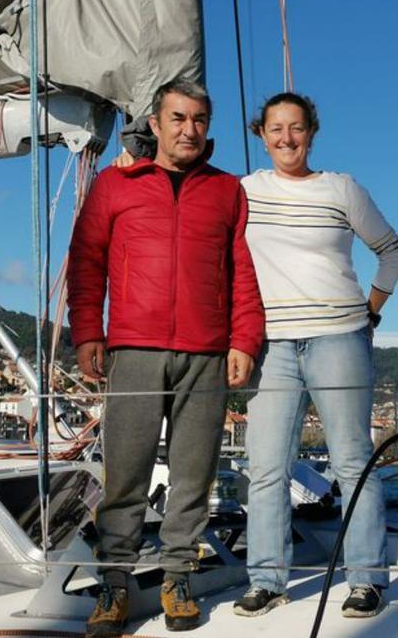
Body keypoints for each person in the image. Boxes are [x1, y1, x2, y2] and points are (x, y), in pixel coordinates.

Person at [68, 79, 264, 637]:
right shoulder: (115, 185)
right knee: (125, 474)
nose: (188, 129)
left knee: (193, 474)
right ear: (154, 124)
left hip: (207, 352)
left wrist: (244, 340)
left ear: (208, 127)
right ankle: (113, 586)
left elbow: (242, 272)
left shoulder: (227, 191)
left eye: (199, 120)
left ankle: (178, 576)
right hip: (133, 347)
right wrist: (87, 331)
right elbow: (87, 262)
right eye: (177, 118)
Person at [233, 92, 398, 619]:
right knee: (265, 467)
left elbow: (392, 251)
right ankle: (267, 580)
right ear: (260, 134)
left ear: (312, 132)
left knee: (352, 461)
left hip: (340, 338)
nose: (286, 138)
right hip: (273, 344)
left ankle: (366, 580)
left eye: (297, 128)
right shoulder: (242, 192)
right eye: (276, 129)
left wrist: (372, 312)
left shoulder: (342, 189)